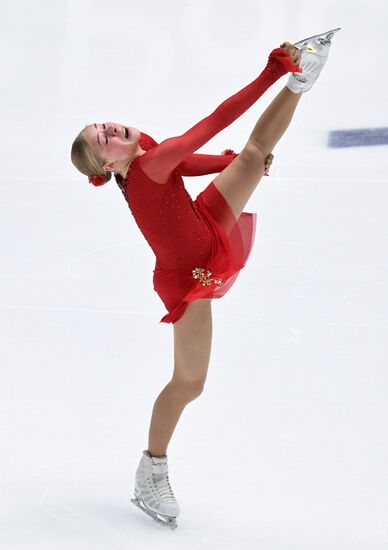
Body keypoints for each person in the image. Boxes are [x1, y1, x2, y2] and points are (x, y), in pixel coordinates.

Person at [70, 29, 340, 529]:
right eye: (103, 139)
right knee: (189, 383)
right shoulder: (149, 162)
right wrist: (270, 71)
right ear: (109, 164)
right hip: (188, 275)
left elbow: (190, 165)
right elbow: (215, 121)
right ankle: (151, 468)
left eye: (105, 124)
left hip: (204, 224)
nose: (112, 130)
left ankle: (303, 82)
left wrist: (233, 164)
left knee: (254, 155)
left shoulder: (147, 156)